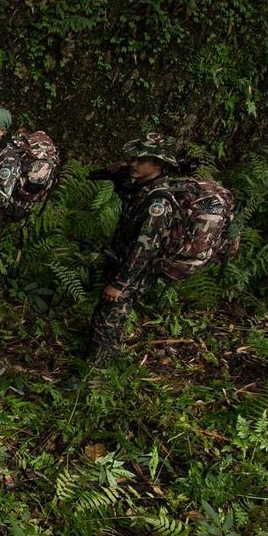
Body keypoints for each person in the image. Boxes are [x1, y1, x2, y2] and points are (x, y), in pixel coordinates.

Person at [83, 133, 180, 366]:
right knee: (104, 318)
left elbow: (144, 247)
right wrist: (116, 172)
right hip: (121, 263)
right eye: (133, 159)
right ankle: (99, 362)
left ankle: (92, 376)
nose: (133, 164)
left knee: (109, 322)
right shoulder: (141, 187)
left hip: (131, 273)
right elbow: (100, 177)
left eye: (141, 160)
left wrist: (120, 283)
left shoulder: (158, 202)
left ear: (158, 164)